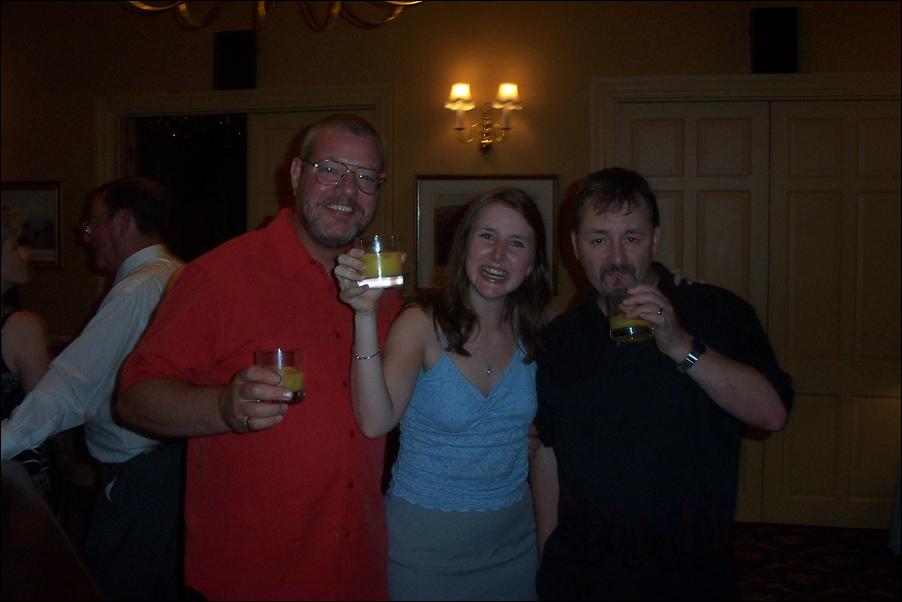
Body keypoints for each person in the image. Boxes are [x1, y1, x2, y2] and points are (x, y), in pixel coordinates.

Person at [116, 113, 402, 601]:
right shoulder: (218, 277)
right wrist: (222, 407)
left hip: (359, 574)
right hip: (250, 579)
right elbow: (133, 398)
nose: (347, 190)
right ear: (296, 173)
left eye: (365, 178)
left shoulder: (383, 289)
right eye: (330, 170)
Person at [531, 167, 794, 601]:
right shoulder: (559, 340)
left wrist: (681, 346)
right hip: (584, 577)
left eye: (631, 238)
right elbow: (548, 452)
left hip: (690, 577)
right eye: (599, 240)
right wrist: (548, 557)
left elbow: (772, 413)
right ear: (575, 246)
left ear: (655, 240)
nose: (616, 257)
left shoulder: (717, 312)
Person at [334, 187, 552, 600]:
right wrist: (364, 315)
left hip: (514, 551)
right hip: (422, 558)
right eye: (487, 236)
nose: (498, 255)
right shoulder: (420, 324)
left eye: (516, 243)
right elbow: (375, 421)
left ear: (532, 264)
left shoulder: (538, 334)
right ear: (464, 244)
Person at [1, 177, 185, 601]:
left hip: (142, 478)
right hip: (164, 470)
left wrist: (4, 441)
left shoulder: (138, 289)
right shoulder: (176, 274)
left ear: (122, 222)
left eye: (92, 224)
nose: (87, 238)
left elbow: (70, 388)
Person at [1, 204, 54, 501]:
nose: (26, 254)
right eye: (16, 246)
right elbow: (44, 412)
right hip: (14, 470)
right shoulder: (23, 326)